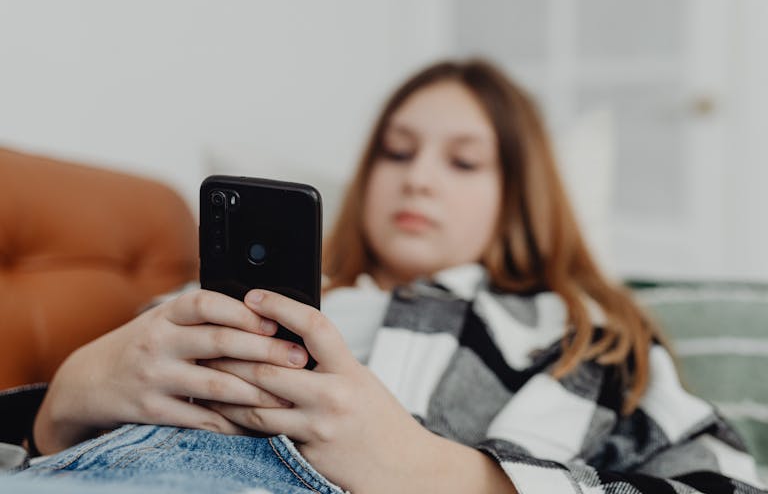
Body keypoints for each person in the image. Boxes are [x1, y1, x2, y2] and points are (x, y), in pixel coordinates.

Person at [1, 59, 765, 494]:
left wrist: (455, 478)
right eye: (397, 153)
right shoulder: (222, 294)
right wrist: (60, 403)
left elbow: (726, 487)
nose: (419, 180)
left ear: (520, 197)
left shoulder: (585, 337)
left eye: (463, 160)